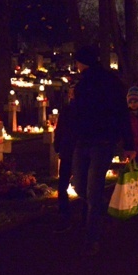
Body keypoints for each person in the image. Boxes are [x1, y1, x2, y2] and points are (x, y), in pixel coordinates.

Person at [72, 45, 136, 256]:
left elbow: (121, 113)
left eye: (78, 61)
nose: (76, 65)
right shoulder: (82, 84)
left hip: (103, 141)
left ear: (84, 62)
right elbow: (77, 113)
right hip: (84, 140)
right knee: (81, 186)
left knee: (92, 188)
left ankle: (92, 239)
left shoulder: (110, 83)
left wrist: (129, 144)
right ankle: (104, 210)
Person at [52, 81, 81, 233]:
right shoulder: (67, 110)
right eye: (70, 92)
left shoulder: (84, 111)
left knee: (81, 185)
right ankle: (64, 215)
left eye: (74, 92)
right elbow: (60, 128)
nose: (72, 94)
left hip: (79, 150)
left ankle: (83, 215)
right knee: (62, 185)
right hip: (67, 150)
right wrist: (58, 144)